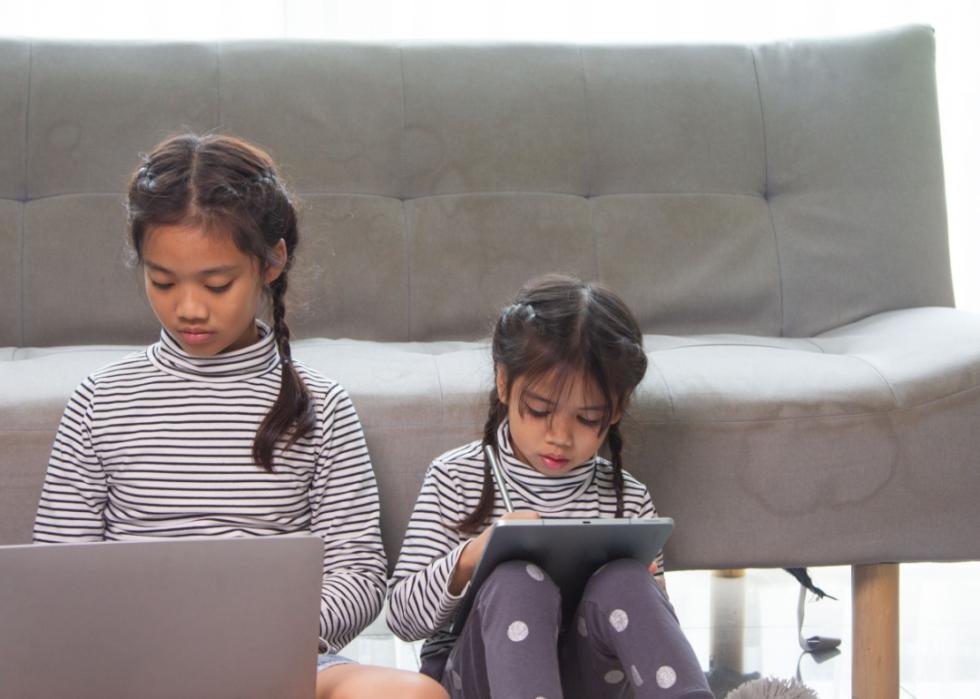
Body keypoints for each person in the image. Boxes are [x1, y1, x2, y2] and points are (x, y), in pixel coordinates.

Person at [33, 133, 447, 699]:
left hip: (286, 661)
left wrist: (278, 636)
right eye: (163, 281)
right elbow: (60, 570)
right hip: (138, 665)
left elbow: (357, 570)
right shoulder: (99, 400)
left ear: (272, 260)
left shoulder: (322, 405)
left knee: (413, 694)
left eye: (217, 283)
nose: (189, 307)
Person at [387, 275, 714, 698]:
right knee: (517, 581)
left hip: (586, 680)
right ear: (503, 383)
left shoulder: (628, 497)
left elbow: (648, 639)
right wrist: (471, 557)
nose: (559, 436)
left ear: (615, 410)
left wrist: (655, 594)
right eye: (540, 411)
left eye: (586, 418)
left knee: (626, 582)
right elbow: (401, 619)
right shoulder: (457, 477)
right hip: (476, 679)